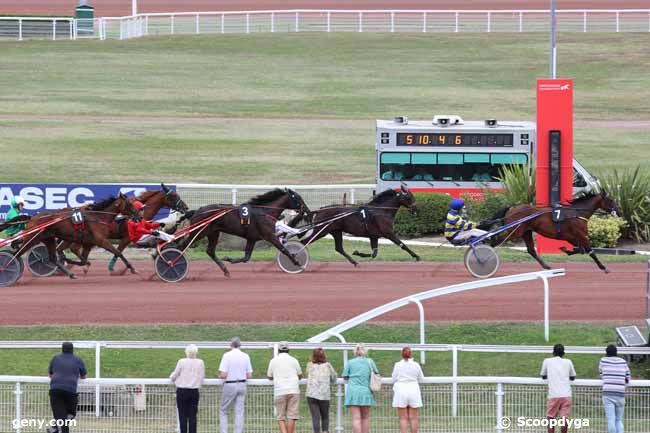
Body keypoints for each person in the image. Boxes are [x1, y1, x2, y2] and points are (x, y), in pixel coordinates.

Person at [46, 342, 87, 433]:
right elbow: (83, 376)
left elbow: (50, 374)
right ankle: (55, 428)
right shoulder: (78, 360)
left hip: (55, 390)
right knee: (71, 414)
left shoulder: (55, 358)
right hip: (71, 391)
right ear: (72, 349)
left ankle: (54, 428)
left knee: (61, 418)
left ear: (62, 349)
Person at [219, 337, 253, 433]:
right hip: (242, 384)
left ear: (231, 345)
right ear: (239, 345)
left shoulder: (227, 355)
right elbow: (249, 375)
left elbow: (223, 374)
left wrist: (220, 375)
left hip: (230, 384)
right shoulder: (246, 356)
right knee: (239, 412)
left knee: (223, 410)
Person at [267, 341, 303, 433]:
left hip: (280, 390)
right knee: (292, 416)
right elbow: (300, 375)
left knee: (280, 416)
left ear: (279, 350)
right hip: (294, 389)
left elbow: (269, 376)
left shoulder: (273, 361)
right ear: (288, 350)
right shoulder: (294, 360)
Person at [342, 343, 378, 433]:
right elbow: (376, 373)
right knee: (365, 417)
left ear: (355, 351)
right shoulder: (370, 361)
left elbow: (345, 376)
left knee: (356, 418)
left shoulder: (350, 362)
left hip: (353, 391)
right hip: (366, 391)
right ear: (365, 351)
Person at [540, 344, 576, 433]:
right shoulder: (568, 362)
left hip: (553, 394)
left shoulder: (547, 361)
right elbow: (573, 377)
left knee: (551, 418)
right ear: (563, 353)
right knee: (564, 418)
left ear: (553, 352)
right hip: (566, 394)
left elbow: (543, 375)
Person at [169, 344, 205, 433]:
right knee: (193, 416)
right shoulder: (200, 362)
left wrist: (172, 377)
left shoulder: (181, 361)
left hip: (182, 391)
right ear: (196, 352)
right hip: (194, 391)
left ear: (186, 352)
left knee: (182, 415)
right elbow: (201, 377)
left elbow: (174, 376)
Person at [599, 344, 631, 433]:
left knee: (611, 420)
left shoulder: (603, 361)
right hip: (620, 393)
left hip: (608, 393)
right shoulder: (623, 362)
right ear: (616, 353)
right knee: (618, 420)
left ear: (606, 353)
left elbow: (601, 374)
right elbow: (628, 377)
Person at [391, 347, 424, 433]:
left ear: (402, 354)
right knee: (413, 418)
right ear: (411, 354)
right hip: (413, 389)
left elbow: (394, 378)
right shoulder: (416, 365)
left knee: (403, 418)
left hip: (401, 390)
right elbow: (421, 378)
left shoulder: (397, 365)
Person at [305, 348, 337, 433]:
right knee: (325, 416)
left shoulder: (310, 365)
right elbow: (334, 378)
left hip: (311, 394)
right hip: (324, 394)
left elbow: (307, 373)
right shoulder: (328, 365)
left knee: (315, 417)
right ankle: (325, 431)